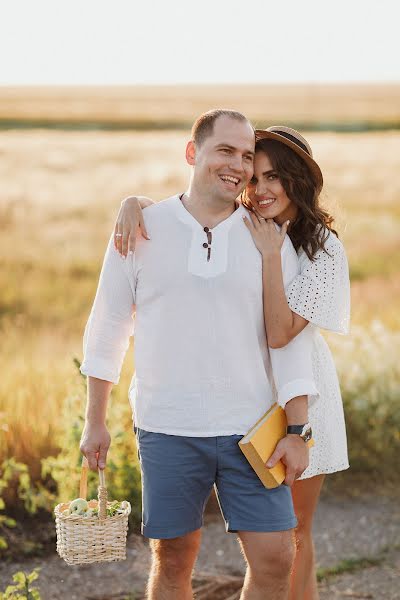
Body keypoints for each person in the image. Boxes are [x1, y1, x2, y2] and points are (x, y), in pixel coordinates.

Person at [80, 109, 319, 600]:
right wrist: (94, 419)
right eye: (225, 151)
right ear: (193, 153)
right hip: (168, 426)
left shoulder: (270, 240)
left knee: (276, 559)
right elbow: (107, 327)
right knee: (173, 560)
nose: (238, 165)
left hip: (254, 429)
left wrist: (298, 432)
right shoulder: (141, 228)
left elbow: (290, 342)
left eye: (248, 156)